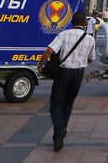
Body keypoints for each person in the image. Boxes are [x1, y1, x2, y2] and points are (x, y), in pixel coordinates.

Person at [41, 10, 96, 152]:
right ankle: (62, 130)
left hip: (63, 73)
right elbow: (91, 58)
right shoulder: (90, 39)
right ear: (85, 23)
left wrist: (41, 65)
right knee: (68, 103)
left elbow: (49, 50)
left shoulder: (64, 34)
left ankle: (59, 130)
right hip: (78, 74)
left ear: (72, 22)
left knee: (56, 103)